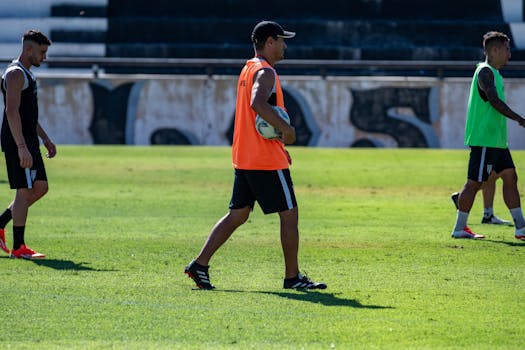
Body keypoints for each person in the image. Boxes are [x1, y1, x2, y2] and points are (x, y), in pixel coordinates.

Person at [184, 21, 327, 290]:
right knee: (289, 214)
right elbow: (257, 103)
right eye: (282, 40)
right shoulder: (266, 71)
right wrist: (287, 131)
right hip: (264, 161)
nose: (285, 45)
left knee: (237, 215)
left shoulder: (248, 68)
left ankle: (199, 264)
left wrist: (279, 143)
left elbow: (256, 116)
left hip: (246, 156)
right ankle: (292, 278)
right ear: (269, 42)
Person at [451, 31, 525, 240]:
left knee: (510, 177)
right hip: (484, 139)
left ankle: (521, 227)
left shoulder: (494, 73)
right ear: (495, 50)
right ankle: (459, 228)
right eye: (507, 49)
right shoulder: (485, 72)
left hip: (497, 140)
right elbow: (494, 101)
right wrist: (520, 119)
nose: (510, 54)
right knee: (473, 183)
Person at [0, 30, 56, 258]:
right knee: (24, 192)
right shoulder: (15, 74)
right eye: (42, 52)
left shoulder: (26, 74)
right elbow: (11, 112)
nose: (44, 57)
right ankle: (19, 248)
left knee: (40, 187)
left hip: (29, 140)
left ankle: (1, 223)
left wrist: (45, 138)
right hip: (17, 140)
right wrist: (21, 147)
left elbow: (28, 115)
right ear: (29, 49)